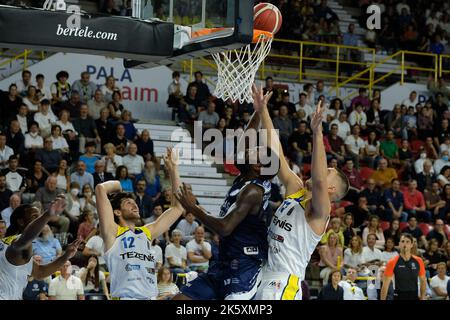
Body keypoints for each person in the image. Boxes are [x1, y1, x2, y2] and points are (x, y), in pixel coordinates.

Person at [238, 87, 349, 300]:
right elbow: (277, 152)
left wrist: (317, 133)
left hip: (283, 281)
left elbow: (317, 180)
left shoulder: (321, 211)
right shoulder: (296, 189)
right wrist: (263, 112)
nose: (319, 171)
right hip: (261, 274)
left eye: (327, 172)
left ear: (331, 189)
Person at [173, 93, 278, 300]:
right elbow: (245, 139)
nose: (247, 148)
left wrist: (194, 208)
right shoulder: (246, 175)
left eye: (254, 150)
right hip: (224, 261)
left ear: (257, 166)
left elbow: (225, 227)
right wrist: (258, 110)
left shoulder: (253, 191)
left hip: (244, 267)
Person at [95, 148, 184, 300]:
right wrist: (118, 186)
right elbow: (100, 189)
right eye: (129, 203)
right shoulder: (112, 231)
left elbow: (178, 208)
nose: (134, 205)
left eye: (135, 203)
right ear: (117, 212)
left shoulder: (146, 232)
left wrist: (173, 169)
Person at [0, 199, 82, 299]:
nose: (40, 221)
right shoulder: (20, 243)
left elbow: (39, 273)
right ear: (21, 222)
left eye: (39, 217)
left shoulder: (5, 243)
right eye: (35, 217)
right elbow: (25, 238)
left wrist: (66, 256)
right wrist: (47, 215)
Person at [381, 233, 427, 300]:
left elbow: (423, 281)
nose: (404, 244)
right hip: (398, 296)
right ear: (399, 244)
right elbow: (385, 286)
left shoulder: (419, 261)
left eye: (407, 242)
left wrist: (422, 297)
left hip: (414, 296)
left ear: (411, 245)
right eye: (402, 241)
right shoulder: (392, 262)